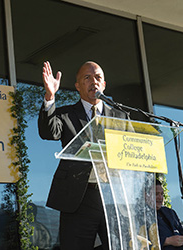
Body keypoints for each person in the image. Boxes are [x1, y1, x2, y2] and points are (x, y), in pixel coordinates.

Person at [38, 61, 128, 249]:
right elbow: (49, 132)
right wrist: (50, 95)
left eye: (97, 77)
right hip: (78, 198)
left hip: (113, 199)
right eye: (87, 78)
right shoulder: (65, 115)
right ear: (78, 86)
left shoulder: (121, 118)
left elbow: (130, 155)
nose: (93, 81)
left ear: (104, 84)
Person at [156, 179, 183, 250]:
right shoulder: (142, 216)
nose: (160, 198)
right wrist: (166, 241)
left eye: (162, 194)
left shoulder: (170, 213)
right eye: (156, 194)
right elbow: (139, 240)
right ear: (146, 195)